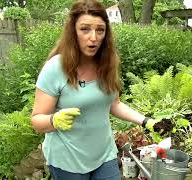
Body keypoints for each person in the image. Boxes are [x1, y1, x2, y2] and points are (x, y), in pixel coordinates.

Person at [30, 0, 155, 179]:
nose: (94, 37)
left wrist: (146, 121)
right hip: (68, 160)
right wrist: (54, 120)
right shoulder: (55, 68)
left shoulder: (107, 64)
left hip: (104, 155)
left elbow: (114, 104)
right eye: (85, 29)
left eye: (100, 30)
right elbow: (36, 121)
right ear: (73, 31)